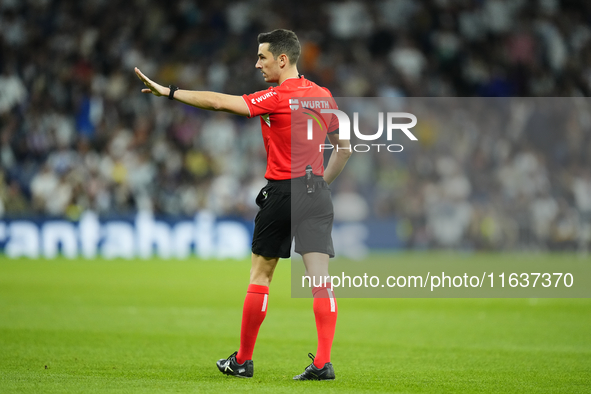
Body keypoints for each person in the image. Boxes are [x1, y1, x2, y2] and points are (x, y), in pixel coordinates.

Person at [134, 29, 351, 381]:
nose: (257, 63)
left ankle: (242, 360)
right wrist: (319, 187)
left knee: (260, 276)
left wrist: (169, 92)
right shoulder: (324, 96)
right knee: (321, 282)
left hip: (282, 193)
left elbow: (219, 102)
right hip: (316, 194)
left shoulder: (277, 96)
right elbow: (345, 148)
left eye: (262, 57)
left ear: (283, 59)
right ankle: (323, 364)